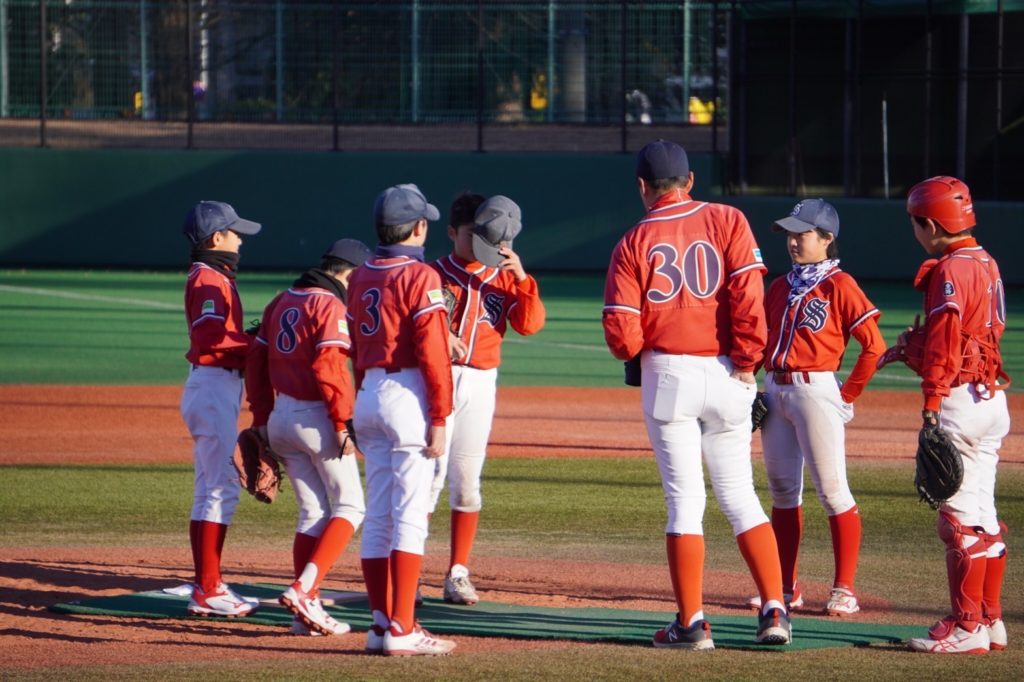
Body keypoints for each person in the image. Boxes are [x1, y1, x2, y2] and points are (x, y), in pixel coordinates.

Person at [602, 139, 791, 650]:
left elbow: (622, 336)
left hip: (667, 375)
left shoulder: (632, 241)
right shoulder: (728, 219)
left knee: (685, 503)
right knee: (742, 496)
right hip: (728, 371)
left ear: (642, 187)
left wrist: (641, 349)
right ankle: (774, 609)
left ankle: (691, 624)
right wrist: (747, 361)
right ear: (689, 181)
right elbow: (749, 298)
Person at [881, 176, 1010, 654]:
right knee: (984, 518)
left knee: (957, 522)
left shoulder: (951, 268)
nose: (915, 232)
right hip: (990, 399)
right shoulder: (986, 260)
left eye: (916, 224)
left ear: (932, 225)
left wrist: (931, 405)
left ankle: (967, 627)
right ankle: (991, 621)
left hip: (959, 400)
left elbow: (945, 343)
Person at [748, 199, 884, 617]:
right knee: (782, 490)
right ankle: (785, 587)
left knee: (832, 490)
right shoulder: (779, 287)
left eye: (802, 233)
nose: (793, 241)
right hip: (775, 389)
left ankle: (844, 588)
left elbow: (873, 346)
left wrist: (848, 396)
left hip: (816, 390)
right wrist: (748, 384)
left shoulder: (840, 285)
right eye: (789, 234)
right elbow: (762, 345)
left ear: (826, 238)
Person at [347, 184, 457, 656]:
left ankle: (380, 623)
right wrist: (441, 414)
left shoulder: (359, 275)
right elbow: (433, 351)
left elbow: (353, 344)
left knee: (378, 514)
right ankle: (403, 626)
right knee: (410, 514)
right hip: (407, 393)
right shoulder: (421, 274)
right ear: (418, 228)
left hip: (369, 391)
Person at [245, 238, 371, 637]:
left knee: (313, 513)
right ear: (349, 273)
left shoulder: (281, 300)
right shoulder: (329, 305)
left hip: (281, 418)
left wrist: (261, 417)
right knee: (351, 507)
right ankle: (304, 590)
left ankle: (304, 614)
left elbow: (255, 360)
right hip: (317, 419)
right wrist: (342, 423)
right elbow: (329, 367)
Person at [427, 193, 546, 605]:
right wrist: (441, 335)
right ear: (452, 232)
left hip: (480, 383)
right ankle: (406, 571)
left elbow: (529, 325)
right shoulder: (433, 273)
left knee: (466, 483)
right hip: (438, 379)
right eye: (470, 235)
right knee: (429, 479)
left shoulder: (505, 275)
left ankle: (458, 572)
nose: (482, 244)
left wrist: (523, 279)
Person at [179, 200, 262, 617]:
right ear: (216, 238)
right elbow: (211, 338)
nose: (240, 240)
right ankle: (208, 589)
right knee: (222, 488)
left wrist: (249, 339)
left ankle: (205, 582)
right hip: (213, 386)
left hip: (212, 386)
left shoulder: (211, 275)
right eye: (234, 232)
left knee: (209, 489)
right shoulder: (209, 279)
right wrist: (259, 343)